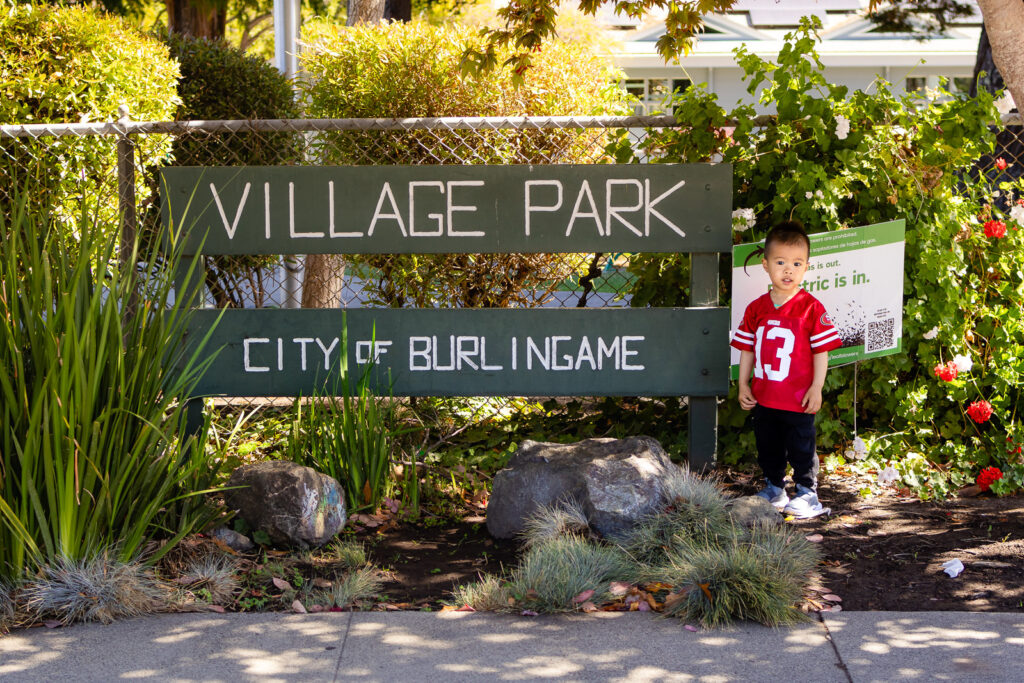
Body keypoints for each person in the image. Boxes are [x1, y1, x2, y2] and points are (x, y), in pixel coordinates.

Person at [730, 220, 841, 519]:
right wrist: (743, 384)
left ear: (806, 267)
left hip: (798, 398)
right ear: (766, 265)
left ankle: (807, 493)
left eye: (796, 263)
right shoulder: (756, 308)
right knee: (768, 446)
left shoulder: (810, 308)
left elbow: (822, 351)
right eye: (780, 262)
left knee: (801, 447)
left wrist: (817, 386)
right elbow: (747, 349)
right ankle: (774, 488)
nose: (788, 270)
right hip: (765, 396)